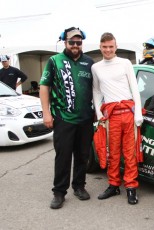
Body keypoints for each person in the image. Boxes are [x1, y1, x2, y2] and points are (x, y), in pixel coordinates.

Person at [39, 27, 94, 209]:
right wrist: (46, 113)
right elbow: (44, 86)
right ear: (65, 42)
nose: (75, 45)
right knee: (63, 156)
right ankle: (59, 192)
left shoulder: (89, 62)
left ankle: (79, 186)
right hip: (63, 118)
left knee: (83, 155)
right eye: (72, 42)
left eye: (78, 42)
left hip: (85, 119)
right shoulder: (55, 61)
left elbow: (97, 90)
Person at [92, 32, 143, 205]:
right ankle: (113, 185)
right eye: (105, 47)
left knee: (129, 153)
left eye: (111, 47)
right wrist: (99, 114)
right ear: (100, 47)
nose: (108, 50)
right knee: (112, 153)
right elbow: (97, 91)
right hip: (111, 115)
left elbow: (134, 88)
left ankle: (131, 187)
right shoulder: (96, 67)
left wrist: (138, 114)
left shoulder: (125, 63)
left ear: (116, 46)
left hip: (128, 113)